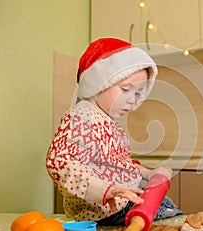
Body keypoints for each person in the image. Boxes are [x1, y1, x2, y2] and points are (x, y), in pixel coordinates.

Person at [46, 37, 183, 225]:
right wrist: (105, 190)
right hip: (102, 209)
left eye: (137, 93)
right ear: (98, 83)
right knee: (170, 219)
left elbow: (117, 163)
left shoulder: (108, 123)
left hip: (121, 200)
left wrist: (148, 174)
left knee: (168, 211)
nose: (132, 100)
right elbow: (60, 162)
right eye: (126, 89)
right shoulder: (82, 117)